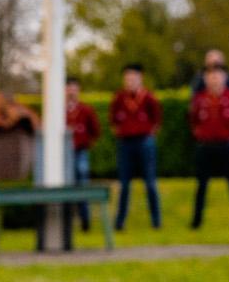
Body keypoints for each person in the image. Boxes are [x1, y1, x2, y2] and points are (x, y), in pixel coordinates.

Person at [189, 66, 229, 228]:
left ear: (224, 78)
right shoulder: (200, 98)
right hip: (206, 146)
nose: (214, 79)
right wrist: (200, 134)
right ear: (205, 79)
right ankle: (196, 221)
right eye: (210, 76)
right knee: (201, 185)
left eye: (217, 76)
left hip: (226, 146)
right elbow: (193, 120)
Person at [109, 63, 163, 230]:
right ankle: (120, 222)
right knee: (124, 185)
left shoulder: (149, 98)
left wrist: (147, 134)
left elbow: (157, 120)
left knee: (150, 183)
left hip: (144, 142)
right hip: (126, 143)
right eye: (127, 78)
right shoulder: (119, 98)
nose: (130, 81)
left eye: (133, 78)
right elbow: (113, 121)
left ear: (140, 78)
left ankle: (156, 221)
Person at [64, 77, 100, 230]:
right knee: (66, 185)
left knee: (82, 182)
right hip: (64, 154)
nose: (72, 92)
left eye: (74, 89)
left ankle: (85, 220)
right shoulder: (58, 110)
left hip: (80, 151)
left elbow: (95, 131)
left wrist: (86, 143)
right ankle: (66, 221)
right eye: (69, 89)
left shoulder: (86, 110)